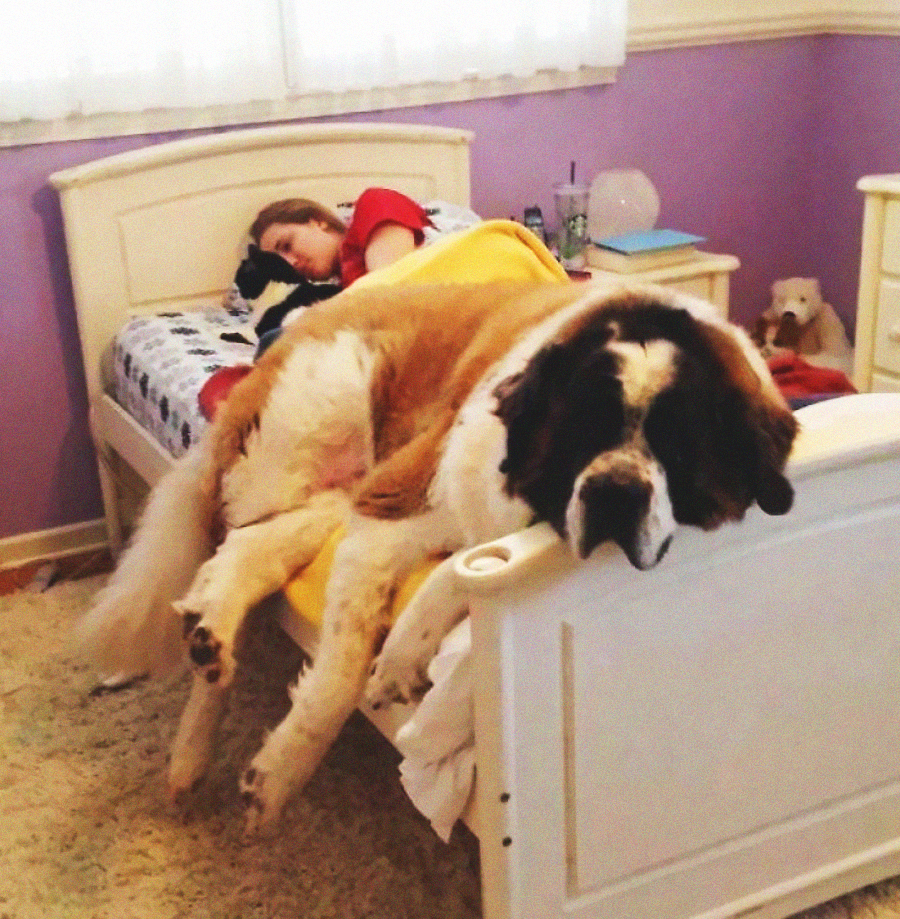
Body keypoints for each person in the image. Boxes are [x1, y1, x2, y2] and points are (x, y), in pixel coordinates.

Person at [250, 187, 432, 289]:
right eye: (279, 262)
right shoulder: (336, 286)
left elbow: (388, 285)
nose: (290, 264)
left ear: (317, 222)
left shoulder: (373, 203)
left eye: (287, 245)